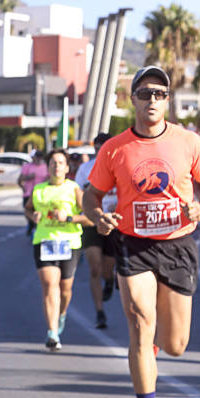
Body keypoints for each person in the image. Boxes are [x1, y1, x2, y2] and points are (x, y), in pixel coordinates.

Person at [82, 66, 200, 398]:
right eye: (145, 93)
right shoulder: (115, 148)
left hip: (177, 244)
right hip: (133, 243)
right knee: (141, 323)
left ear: (168, 100)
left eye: (159, 94)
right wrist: (99, 217)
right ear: (133, 100)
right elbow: (91, 194)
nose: (152, 100)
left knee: (176, 345)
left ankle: (154, 347)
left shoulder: (188, 142)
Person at [25, 149, 92, 351]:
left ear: (67, 167)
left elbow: (90, 218)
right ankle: (52, 333)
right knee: (49, 284)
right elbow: (28, 208)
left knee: (65, 289)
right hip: (44, 241)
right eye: (53, 162)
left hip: (69, 243)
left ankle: (61, 314)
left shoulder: (74, 189)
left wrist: (69, 218)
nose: (56, 166)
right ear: (48, 167)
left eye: (61, 162)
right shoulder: (39, 190)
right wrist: (33, 216)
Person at [75, 133, 117, 329]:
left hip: (114, 223)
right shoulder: (85, 169)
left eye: (104, 147)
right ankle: (99, 312)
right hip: (92, 221)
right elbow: (79, 195)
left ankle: (109, 281)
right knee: (94, 267)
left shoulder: (120, 165)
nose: (100, 151)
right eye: (97, 147)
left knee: (107, 268)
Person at [18, 151, 48, 238]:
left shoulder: (45, 167)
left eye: (40, 156)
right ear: (33, 157)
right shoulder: (27, 167)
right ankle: (31, 225)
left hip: (41, 195)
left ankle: (35, 228)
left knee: (39, 213)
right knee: (28, 211)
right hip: (28, 194)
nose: (38, 158)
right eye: (37, 156)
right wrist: (28, 178)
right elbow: (19, 180)